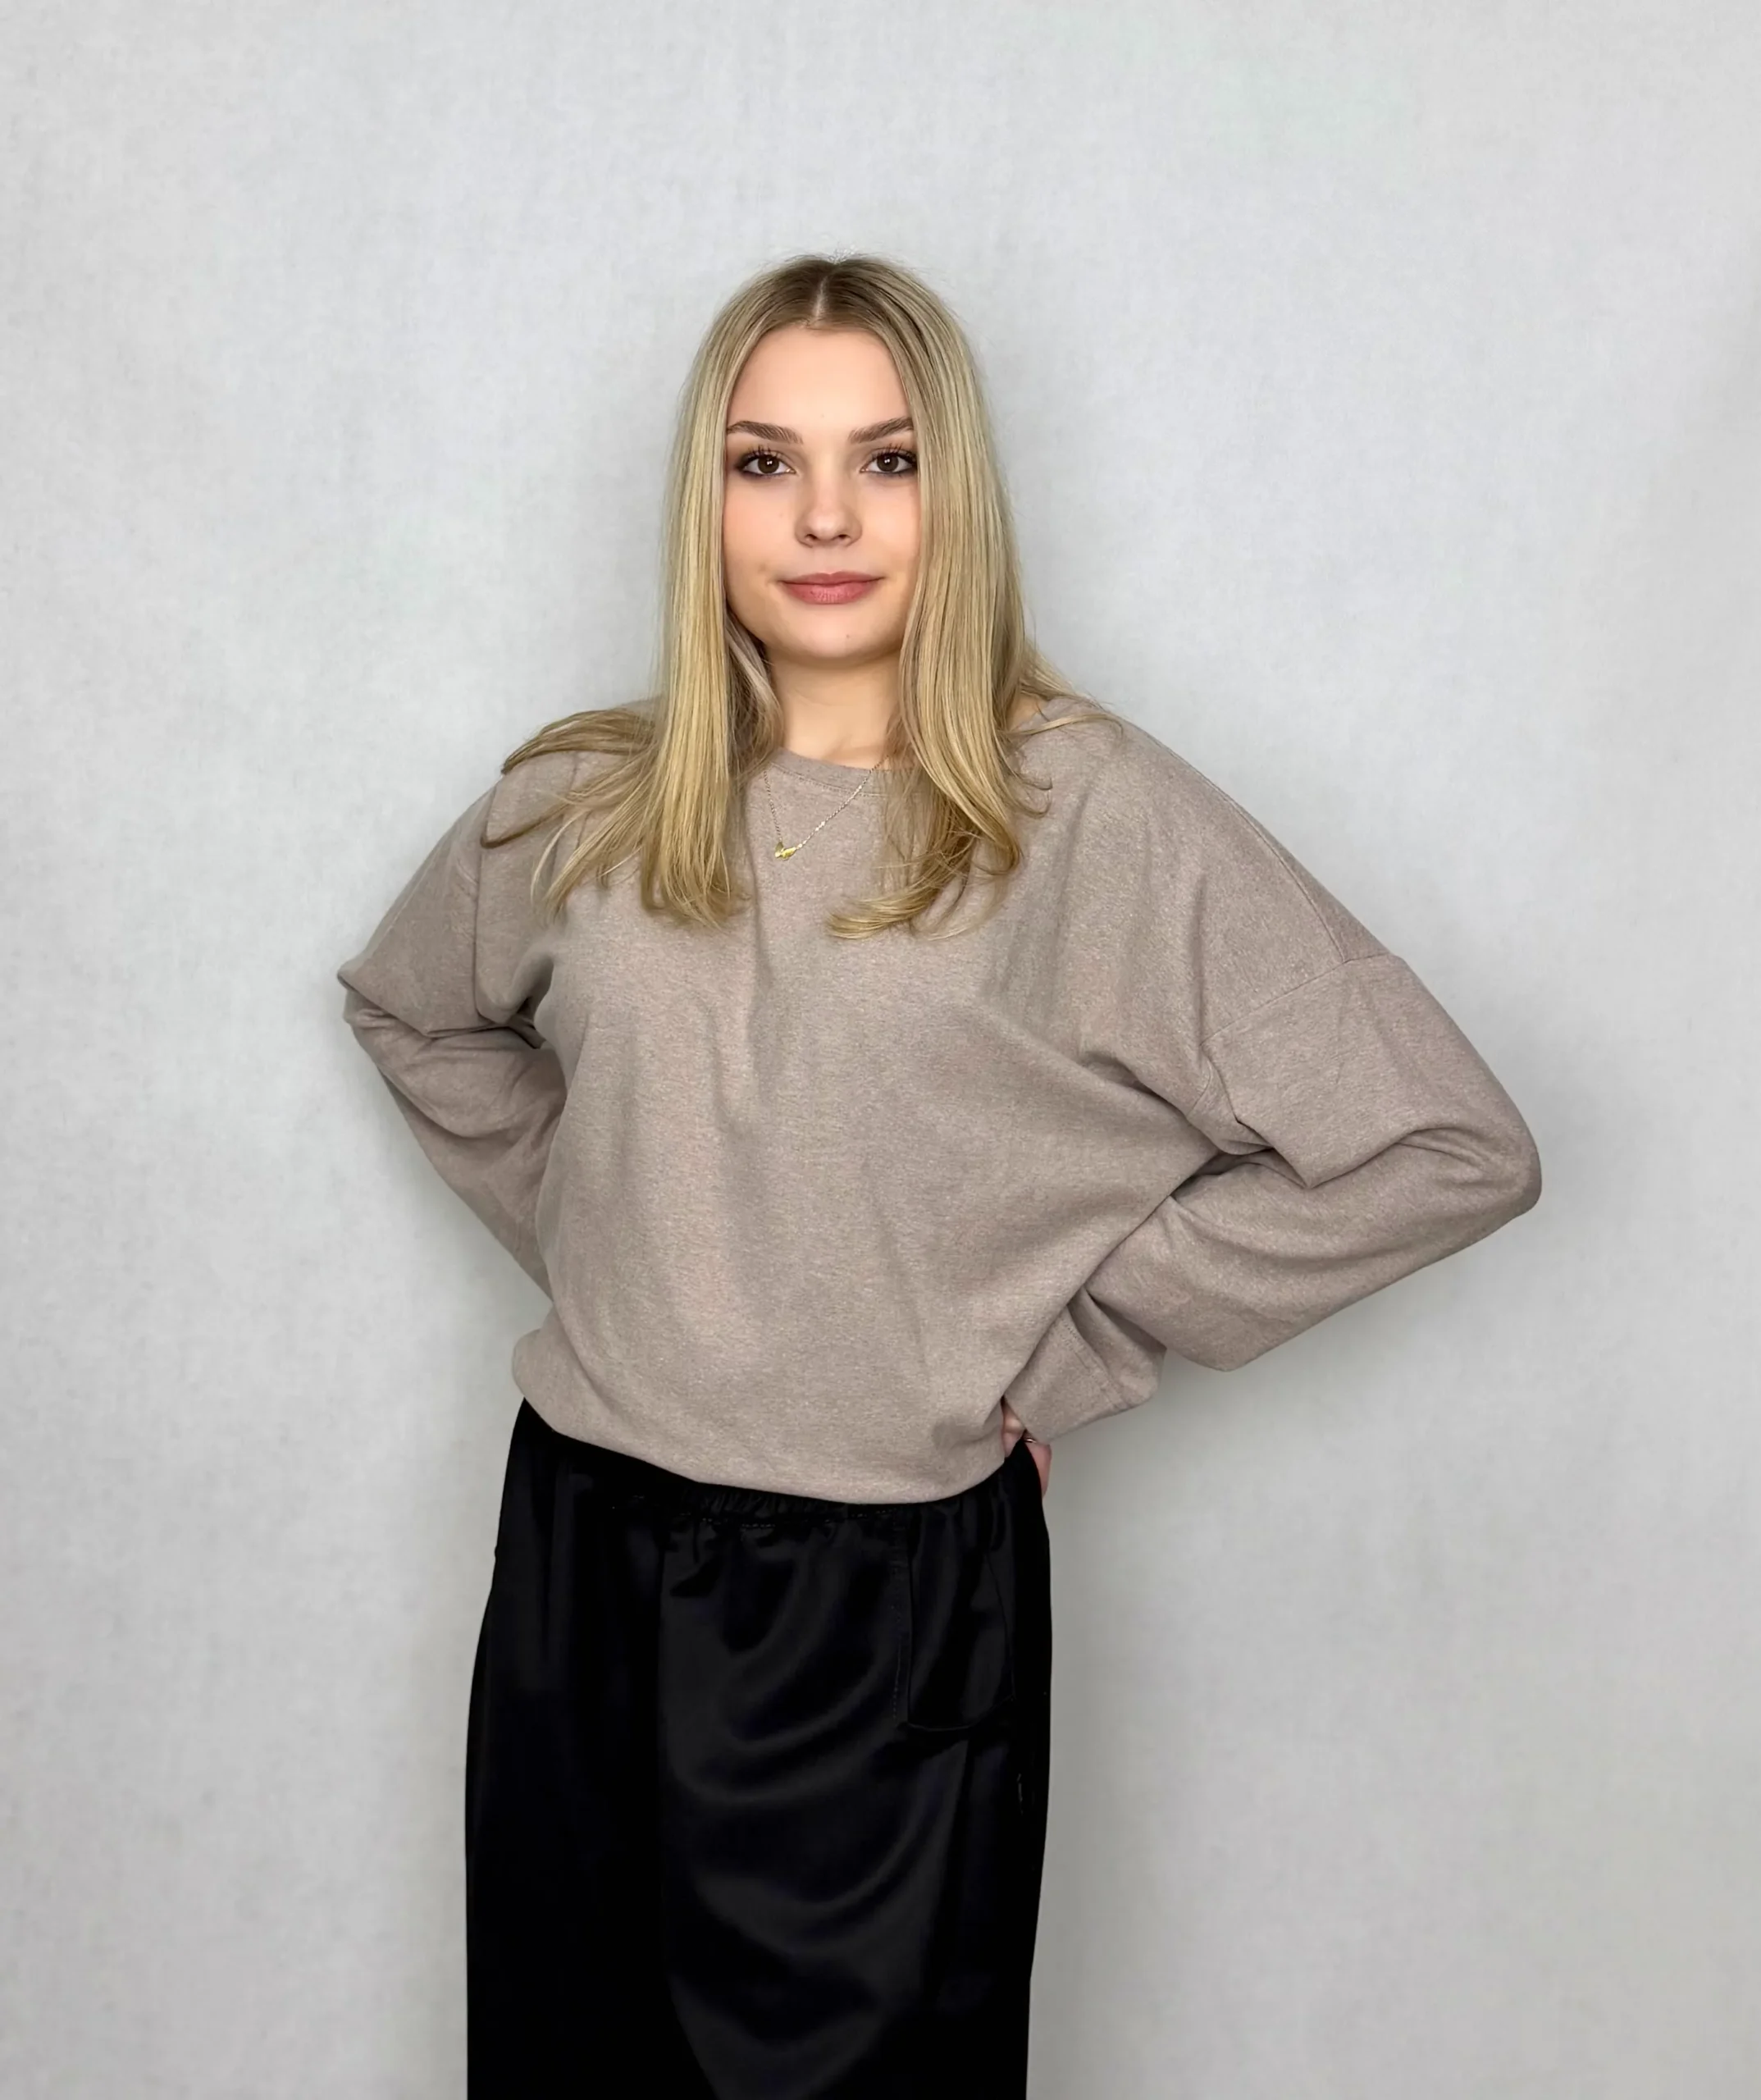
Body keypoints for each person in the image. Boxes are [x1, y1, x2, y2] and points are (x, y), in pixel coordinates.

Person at [335, 252, 1542, 2100]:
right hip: (582, 1551)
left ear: (952, 490)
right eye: (763, 462)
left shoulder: (1085, 814)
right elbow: (415, 1011)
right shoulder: (588, 800)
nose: (823, 517)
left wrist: (1071, 1345)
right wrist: (618, 1242)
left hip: (878, 1601)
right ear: (703, 499)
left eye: (883, 460)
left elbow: (1442, 1143)